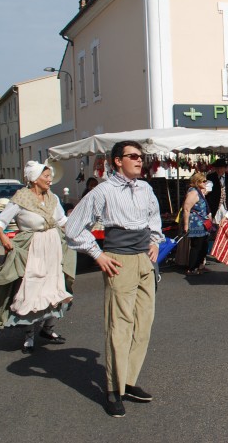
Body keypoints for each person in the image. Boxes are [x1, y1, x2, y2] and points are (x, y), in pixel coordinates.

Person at [65, 140, 164, 418]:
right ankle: (113, 389)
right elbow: (73, 227)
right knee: (119, 325)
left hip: (144, 259)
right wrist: (97, 255)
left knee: (143, 323)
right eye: (133, 156)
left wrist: (155, 241)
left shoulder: (145, 188)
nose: (139, 160)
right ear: (118, 161)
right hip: (119, 259)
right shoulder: (104, 191)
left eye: (141, 156)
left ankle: (128, 380)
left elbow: (153, 218)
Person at [0, 161, 74, 355]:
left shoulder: (52, 198)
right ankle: (29, 337)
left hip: (54, 247)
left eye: (50, 176)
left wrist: (78, 231)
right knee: (32, 291)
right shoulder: (21, 199)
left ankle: (48, 329)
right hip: (32, 250)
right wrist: (4, 239)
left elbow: (62, 221)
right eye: (46, 176)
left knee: (57, 288)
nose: (50, 180)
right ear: (34, 179)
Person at [182, 171, 212, 275]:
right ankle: (192, 268)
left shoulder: (199, 191)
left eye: (205, 181)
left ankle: (199, 265)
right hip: (196, 224)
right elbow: (186, 209)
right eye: (203, 181)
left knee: (203, 246)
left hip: (202, 224)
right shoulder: (193, 192)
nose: (205, 183)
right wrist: (186, 225)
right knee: (196, 247)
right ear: (197, 182)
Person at [206, 158, 228, 224]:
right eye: (217, 168)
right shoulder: (210, 177)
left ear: (225, 168)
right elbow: (207, 194)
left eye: (221, 168)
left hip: (227, 205)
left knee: (226, 224)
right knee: (215, 225)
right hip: (215, 206)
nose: (219, 170)